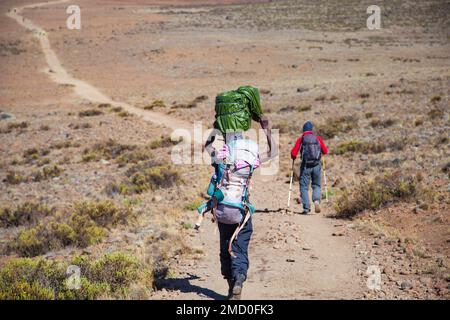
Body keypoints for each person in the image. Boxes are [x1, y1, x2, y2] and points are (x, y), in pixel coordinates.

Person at [290, 121, 328, 214]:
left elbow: (293, 153)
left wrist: (294, 157)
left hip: (306, 166)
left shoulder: (302, 138)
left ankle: (306, 208)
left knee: (303, 187)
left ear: (304, 130)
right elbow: (325, 151)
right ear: (311, 129)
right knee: (316, 185)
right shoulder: (317, 138)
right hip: (317, 165)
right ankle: (316, 201)